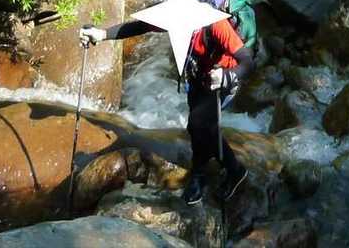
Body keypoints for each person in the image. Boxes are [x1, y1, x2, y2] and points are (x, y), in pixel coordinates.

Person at [80, 13, 253, 205]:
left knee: (200, 124)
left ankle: (229, 170)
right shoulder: (174, 18)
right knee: (197, 128)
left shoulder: (215, 25)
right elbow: (141, 26)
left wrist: (227, 75)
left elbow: (247, 60)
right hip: (198, 78)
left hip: (222, 80)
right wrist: (102, 34)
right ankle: (205, 171)